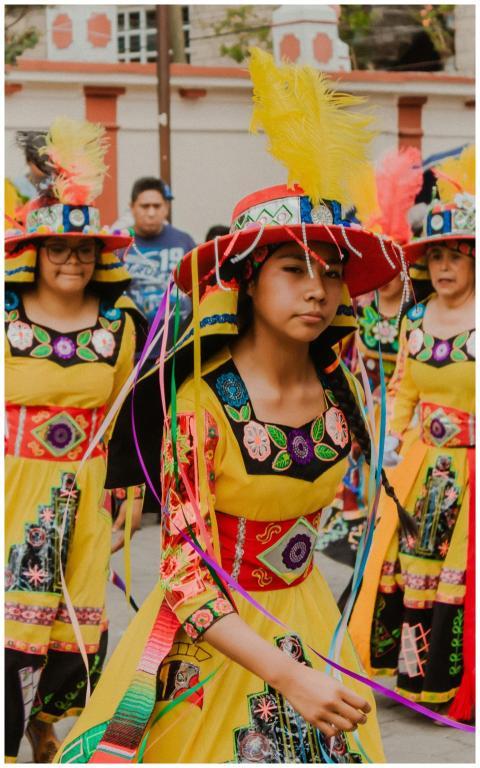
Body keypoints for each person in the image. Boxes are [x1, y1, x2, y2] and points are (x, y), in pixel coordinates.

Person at [57, 49, 412, 764]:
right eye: (294, 270)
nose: (319, 289)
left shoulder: (341, 397)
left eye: (335, 273)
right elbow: (185, 572)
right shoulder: (200, 405)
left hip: (308, 620)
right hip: (212, 638)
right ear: (247, 282)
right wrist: (288, 676)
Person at [4, 117, 144, 763]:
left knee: (78, 612)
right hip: (13, 482)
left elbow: (126, 415)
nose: (71, 260)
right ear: (35, 251)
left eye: (84, 250)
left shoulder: (121, 327)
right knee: (13, 608)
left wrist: (129, 488)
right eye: (58, 248)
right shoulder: (4, 319)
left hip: (85, 490)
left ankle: (49, 722)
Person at [349, 144, 475, 722]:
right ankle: (415, 678)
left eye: (457, 255)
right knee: (413, 570)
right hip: (425, 469)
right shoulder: (417, 320)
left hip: (472, 472)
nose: (445, 267)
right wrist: (392, 443)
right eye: (437, 256)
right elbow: (403, 389)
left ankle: (460, 688)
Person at [319, 147, 423, 571]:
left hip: (404, 414)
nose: (391, 272)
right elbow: (341, 358)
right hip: (364, 406)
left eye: (397, 261)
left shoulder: (416, 308)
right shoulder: (357, 306)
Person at [122, 176, 196, 343]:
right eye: (144, 206)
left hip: (179, 346)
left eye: (157, 206)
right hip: (134, 347)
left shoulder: (184, 242)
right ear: (132, 207)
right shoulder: (119, 243)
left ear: (166, 208)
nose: (151, 213)